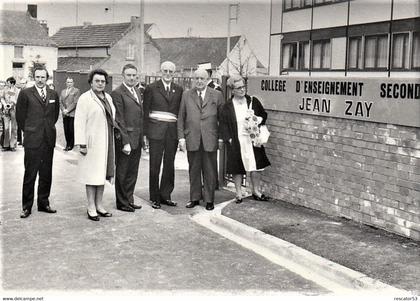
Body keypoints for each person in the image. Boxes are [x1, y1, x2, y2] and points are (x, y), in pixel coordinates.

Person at [178, 68, 224, 211]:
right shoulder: (186, 95)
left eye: (202, 79)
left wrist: (221, 138)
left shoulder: (217, 95)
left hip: (210, 138)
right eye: (196, 78)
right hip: (192, 138)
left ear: (207, 80)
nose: (199, 81)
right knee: (194, 170)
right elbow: (181, 118)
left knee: (210, 171)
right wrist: (181, 138)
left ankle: (209, 200)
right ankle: (195, 198)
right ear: (193, 79)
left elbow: (222, 119)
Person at [16, 67, 60, 218]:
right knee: (30, 174)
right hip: (32, 140)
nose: (40, 80)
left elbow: (54, 115)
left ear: (47, 78)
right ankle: (26, 206)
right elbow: (20, 117)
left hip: (48, 139)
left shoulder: (53, 94)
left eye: (43, 77)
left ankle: (43, 203)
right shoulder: (25, 93)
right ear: (33, 77)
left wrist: (46, 129)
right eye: (37, 77)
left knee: (46, 174)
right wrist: (30, 130)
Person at [220, 74, 270, 203]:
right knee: (237, 166)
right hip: (237, 139)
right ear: (232, 90)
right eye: (238, 88)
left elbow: (263, 115)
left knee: (256, 165)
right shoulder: (227, 106)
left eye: (243, 87)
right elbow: (223, 125)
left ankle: (256, 191)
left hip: (253, 139)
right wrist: (229, 139)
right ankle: (238, 193)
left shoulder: (253, 101)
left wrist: (257, 120)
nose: (242, 90)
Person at [74, 69, 116, 221]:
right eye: (97, 81)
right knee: (91, 175)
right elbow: (78, 122)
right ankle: (91, 206)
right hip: (91, 144)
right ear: (91, 82)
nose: (100, 84)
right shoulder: (85, 99)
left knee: (101, 174)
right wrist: (81, 143)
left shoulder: (108, 98)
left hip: (105, 143)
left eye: (103, 81)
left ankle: (99, 205)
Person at [143, 61, 183, 209]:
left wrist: (180, 135)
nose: (167, 74)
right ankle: (154, 197)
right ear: (160, 71)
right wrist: (145, 134)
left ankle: (166, 195)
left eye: (170, 72)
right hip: (155, 132)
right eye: (165, 71)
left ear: (174, 73)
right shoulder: (151, 88)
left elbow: (179, 113)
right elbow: (145, 112)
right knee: (155, 165)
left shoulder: (179, 89)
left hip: (171, 133)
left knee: (169, 165)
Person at [111, 64, 144, 212]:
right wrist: (125, 142)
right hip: (126, 140)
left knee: (132, 172)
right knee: (123, 172)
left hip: (136, 138)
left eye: (134, 75)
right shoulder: (117, 93)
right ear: (123, 76)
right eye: (129, 75)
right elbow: (119, 119)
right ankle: (122, 202)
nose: (132, 78)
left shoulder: (136, 90)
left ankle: (129, 199)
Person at [60, 77, 80, 151]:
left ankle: (71, 145)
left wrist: (67, 110)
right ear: (66, 83)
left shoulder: (76, 91)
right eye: (68, 82)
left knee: (71, 129)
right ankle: (67, 144)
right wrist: (63, 110)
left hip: (72, 113)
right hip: (65, 114)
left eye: (71, 82)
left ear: (73, 83)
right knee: (66, 129)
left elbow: (75, 102)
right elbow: (60, 102)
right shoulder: (63, 91)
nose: (69, 84)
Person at [1, 77, 19, 151]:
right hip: (6, 110)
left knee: (14, 128)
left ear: (12, 83)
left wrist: (12, 103)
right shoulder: (5, 90)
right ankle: (6, 145)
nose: (6, 84)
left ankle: (12, 145)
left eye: (8, 83)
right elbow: (2, 98)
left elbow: (17, 100)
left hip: (14, 110)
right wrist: (5, 104)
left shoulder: (17, 90)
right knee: (6, 128)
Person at [16, 78, 27, 146]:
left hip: (25, 111)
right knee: (19, 126)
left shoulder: (28, 91)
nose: (22, 85)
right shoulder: (18, 91)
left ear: (26, 83)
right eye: (21, 83)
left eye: (23, 83)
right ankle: (20, 140)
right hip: (19, 111)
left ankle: (25, 141)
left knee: (25, 126)